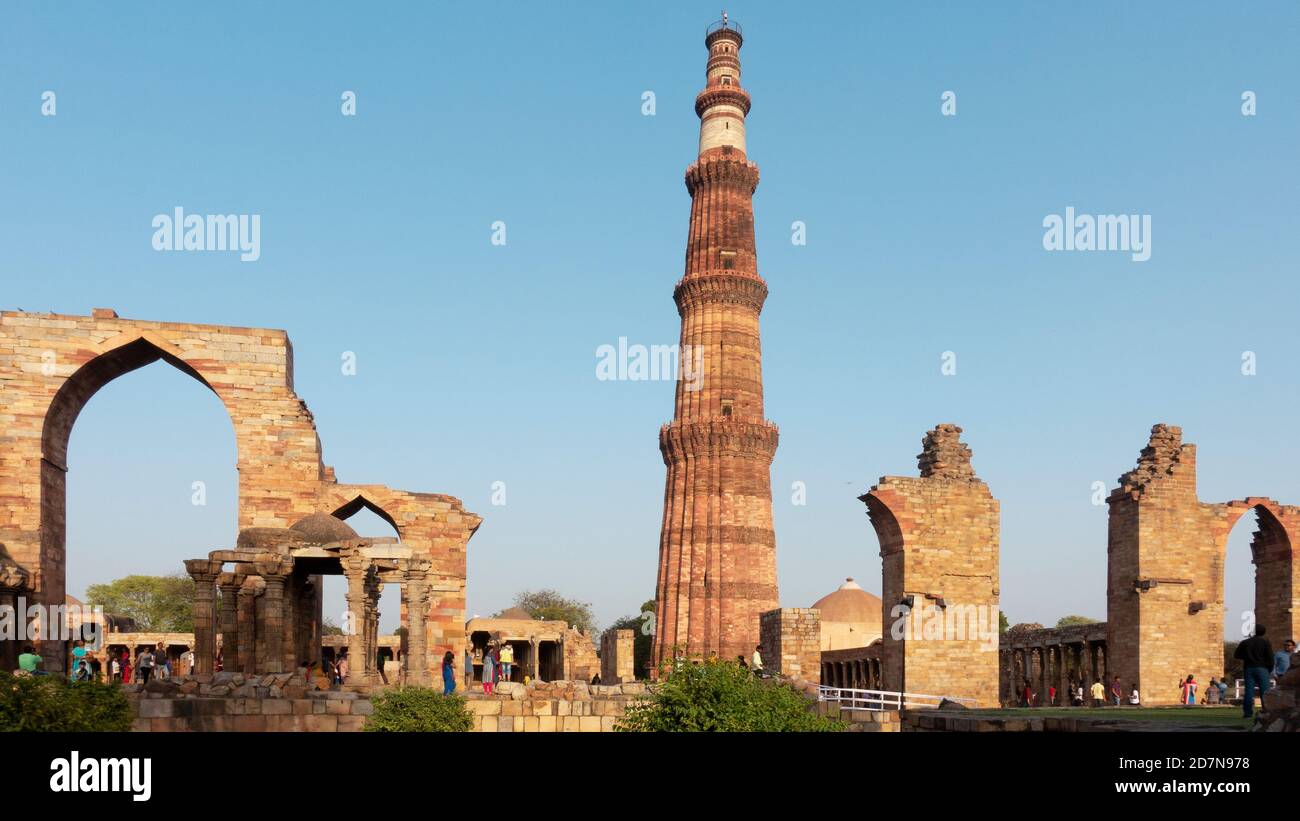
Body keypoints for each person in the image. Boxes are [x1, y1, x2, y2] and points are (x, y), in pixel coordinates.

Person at [1234, 624, 1273, 718]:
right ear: (1264, 632)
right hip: (1262, 668)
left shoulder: (1245, 642)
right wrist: (1269, 669)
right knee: (1265, 691)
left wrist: (1247, 656)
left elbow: (1236, 655)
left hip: (1249, 668)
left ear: (1254, 631)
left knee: (1249, 691)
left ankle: (1247, 713)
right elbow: (1270, 658)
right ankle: (1266, 711)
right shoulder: (1265, 643)